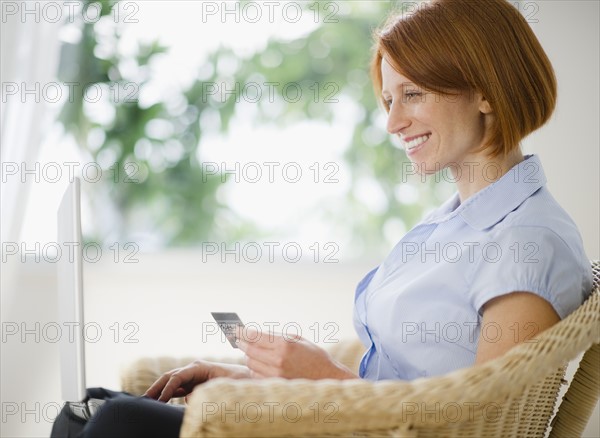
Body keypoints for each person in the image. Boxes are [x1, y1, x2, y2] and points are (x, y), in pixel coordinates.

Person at [51, 0, 593, 436]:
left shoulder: (528, 242)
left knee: (116, 421)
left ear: (485, 92)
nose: (393, 122)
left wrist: (319, 378)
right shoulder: (456, 222)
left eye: (413, 94)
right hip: (346, 424)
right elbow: (403, 386)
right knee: (97, 409)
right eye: (387, 100)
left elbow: (469, 424)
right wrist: (257, 381)